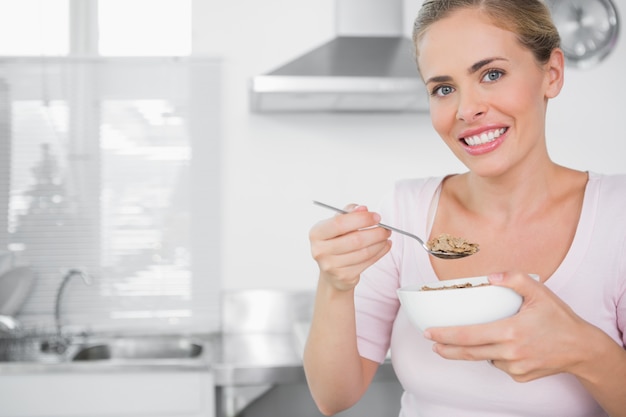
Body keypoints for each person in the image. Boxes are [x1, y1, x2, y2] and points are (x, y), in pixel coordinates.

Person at [304, 0, 626, 416]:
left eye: (492, 74)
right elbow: (334, 397)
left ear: (552, 73)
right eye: (443, 88)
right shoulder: (405, 211)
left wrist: (584, 351)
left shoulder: (617, 216)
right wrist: (335, 284)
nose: (465, 109)